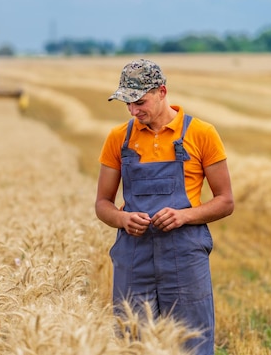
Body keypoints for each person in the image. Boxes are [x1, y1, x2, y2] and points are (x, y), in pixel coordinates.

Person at [95, 59, 234, 355]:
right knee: (132, 343)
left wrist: (184, 216)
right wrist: (122, 219)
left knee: (190, 343)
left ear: (162, 91)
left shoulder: (202, 134)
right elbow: (102, 204)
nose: (133, 110)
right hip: (133, 257)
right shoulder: (118, 139)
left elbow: (225, 201)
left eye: (139, 101)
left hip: (184, 255)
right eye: (127, 104)